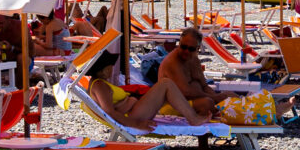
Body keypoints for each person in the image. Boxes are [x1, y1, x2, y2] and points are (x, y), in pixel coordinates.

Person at [81, 44, 211, 129]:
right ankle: (193, 118)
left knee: (168, 87)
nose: (111, 69)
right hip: (132, 116)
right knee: (166, 84)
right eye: (109, 67)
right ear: (102, 69)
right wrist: (137, 124)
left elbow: (112, 108)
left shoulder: (99, 83)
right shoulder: (99, 86)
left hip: (134, 110)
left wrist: (128, 101)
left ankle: (193, 113)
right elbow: (109, 112)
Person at [157, 28, 218, 118]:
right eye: (183, 47)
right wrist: (216, 98)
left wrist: (219, 98)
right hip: (169, 106)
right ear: (179, 44)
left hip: (188, 102)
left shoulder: (194, 60)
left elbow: (204, 86)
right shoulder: (172, 62)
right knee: (207, 104)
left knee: (228, 98)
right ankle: (201, 129)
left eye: (191, 49)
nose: (186, 51)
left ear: (197, 48)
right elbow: (185, 92)